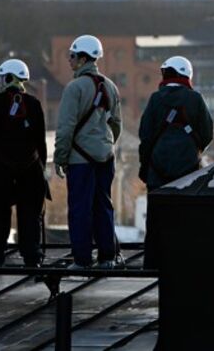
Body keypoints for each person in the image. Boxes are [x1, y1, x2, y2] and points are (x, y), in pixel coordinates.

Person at [53, 34, 122, 270]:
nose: (69, 60)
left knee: (80, 209)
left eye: (72, 56)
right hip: (106, 157)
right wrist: (105, 144)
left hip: (80, 159)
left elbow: (65, 128)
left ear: (83, 59)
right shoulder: (111, 87)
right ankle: (107, 257)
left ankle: (82, 260)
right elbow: (116, 124)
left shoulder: (74, 88)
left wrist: (60, 157)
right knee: (103, 206)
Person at [0, 58, 48, 267]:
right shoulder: (34, 104)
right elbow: (41, 141)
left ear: (9, 78)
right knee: (30, 214)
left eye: (3, 77)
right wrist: (42, 168)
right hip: (31, 169)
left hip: (1, 169)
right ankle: (32, 256)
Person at [138, 56, 212, 189]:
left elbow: (145, 135)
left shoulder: (155, 99)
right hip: (190, 173)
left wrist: (145, 168)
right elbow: (207, 134)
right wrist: (194, 150)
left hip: (157, 173)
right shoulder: (195, 99)